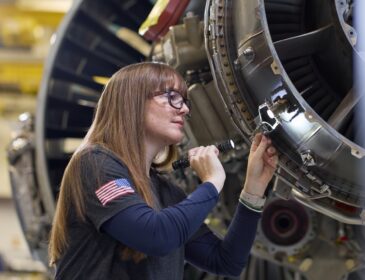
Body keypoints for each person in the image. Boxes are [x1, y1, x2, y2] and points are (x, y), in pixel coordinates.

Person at [48, 62, 278, 279]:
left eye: (185, 101)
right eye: (172, 97)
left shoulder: (162, 189)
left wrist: (253, 190)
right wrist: (212, 182)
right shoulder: (95, 164)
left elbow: (226, 262)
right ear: (133, 102)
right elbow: (156, 237)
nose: (185, 109)